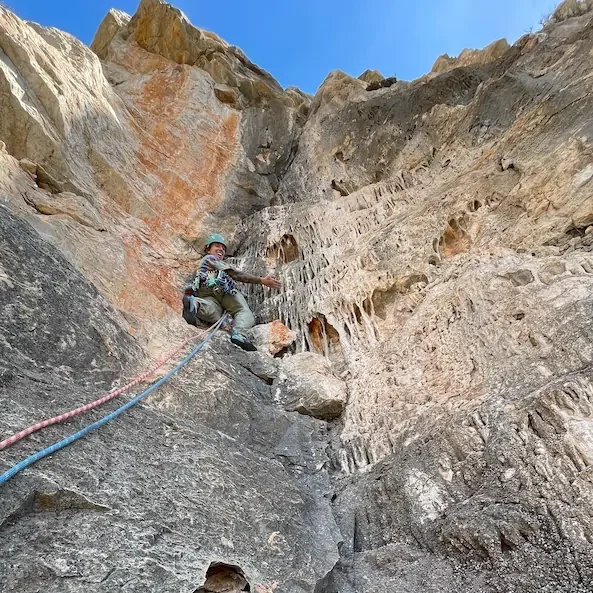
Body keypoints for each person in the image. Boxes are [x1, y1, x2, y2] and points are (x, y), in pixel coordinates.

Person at [182, 233, 281, 351]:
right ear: (208, 249)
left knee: (214, 313)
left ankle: (195, 304)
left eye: (223, 248)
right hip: (223, 290)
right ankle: (239, 333)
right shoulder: (211, 259)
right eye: (217, 246)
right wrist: (261, 280)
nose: (221, 250)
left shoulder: (201, 266)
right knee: (243, 311)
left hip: (206, 293)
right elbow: (234, 274)